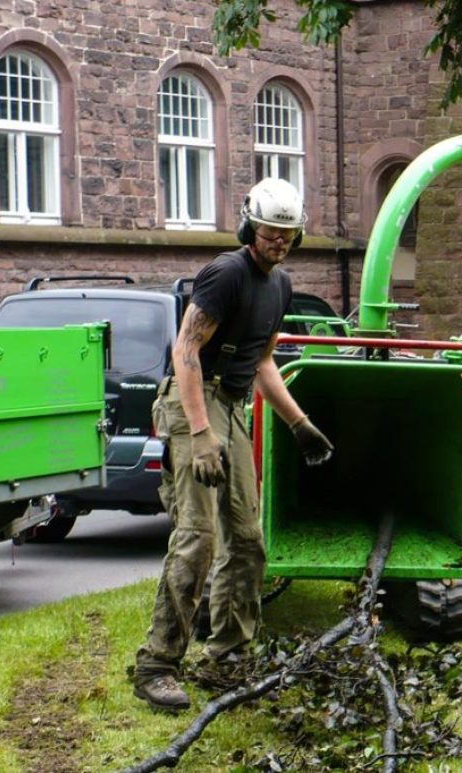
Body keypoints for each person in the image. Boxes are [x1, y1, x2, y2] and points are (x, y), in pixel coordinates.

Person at [131, 177, 334, 711]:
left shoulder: (281, 285)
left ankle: (228, 657)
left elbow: (263, 360)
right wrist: (199, 434)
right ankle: (157, 665)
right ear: (250, 225)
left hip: (233, 406)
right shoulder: (225, 274)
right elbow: (186, 352)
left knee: (247, 539)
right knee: (197, 537)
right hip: (191, 403)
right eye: (270, 231)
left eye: (288, 233)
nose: (278, 241)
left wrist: (298, 423)